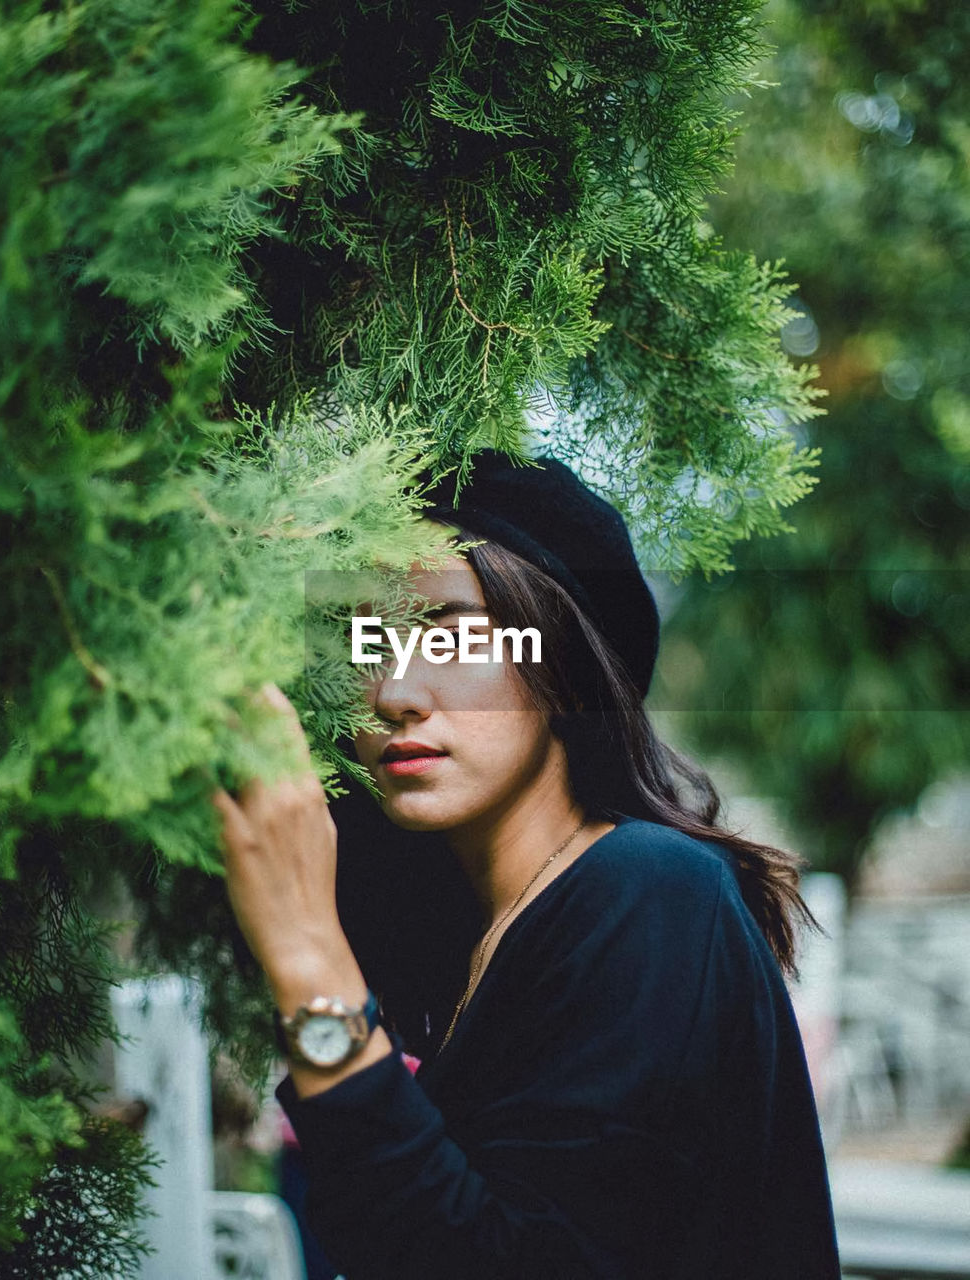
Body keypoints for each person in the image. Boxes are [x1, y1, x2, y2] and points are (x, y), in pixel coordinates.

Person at [214, 450, 841, 1279]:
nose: (393, 689)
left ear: (564, 666)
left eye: (447, 632)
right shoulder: (474, 945)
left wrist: (305, 955)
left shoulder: (649, 892)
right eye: (365, 638)